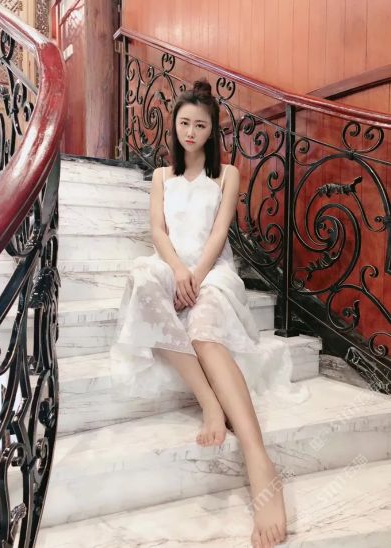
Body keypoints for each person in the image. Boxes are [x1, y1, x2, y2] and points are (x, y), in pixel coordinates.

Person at [109, 78, 311, 547]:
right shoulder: (162, 176)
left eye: (200, 125)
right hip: (171, 264)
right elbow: (158, 232)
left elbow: (220, 233)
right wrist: (177, 271)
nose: (191, 132)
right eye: (184, 123)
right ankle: (210, 405)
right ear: (175, 126)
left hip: (212, 270)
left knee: (202, 331)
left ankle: (259, 461)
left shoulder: (228, 174)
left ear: (211, 130)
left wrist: (196, 276)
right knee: (143, 284)